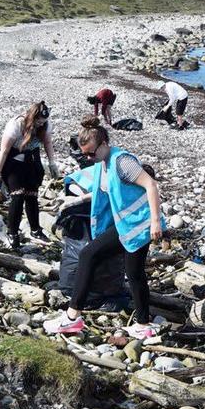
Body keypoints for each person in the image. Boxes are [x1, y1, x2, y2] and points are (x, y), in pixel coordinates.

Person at [44, 116, 165, 339]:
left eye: (92, 153)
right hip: (126, 226)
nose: (89, 158)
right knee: (134, 272)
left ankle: (72, 318)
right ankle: (143, 325)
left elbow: (151, 184)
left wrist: (156, 221)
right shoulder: (103, 164)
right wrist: (75, 201)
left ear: (104, 144)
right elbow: (106, 191)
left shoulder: (122, 161)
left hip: (140, 226)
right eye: (85, 154)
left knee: (90, 254)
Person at [0, 102, 60, 249]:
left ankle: (35, 230)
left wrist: (52, 163)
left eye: (43, 122)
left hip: (32, 160)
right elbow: (4, 151)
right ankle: (12, 233)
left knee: (32, 195)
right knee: (18, 195)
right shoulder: (17, 125)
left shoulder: (45, 125)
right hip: (13, 161)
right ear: (32, 117)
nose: (40, 124)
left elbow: (47, 143)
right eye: (38, 121)